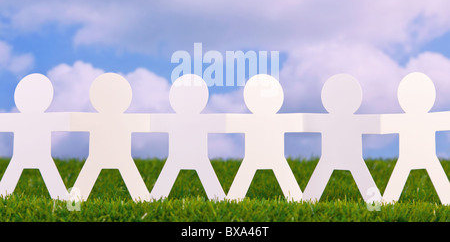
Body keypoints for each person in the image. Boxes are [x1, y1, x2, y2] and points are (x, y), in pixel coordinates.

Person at [70, 73, 151, 202]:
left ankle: (74, 200)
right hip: (106, 156)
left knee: (83, 185)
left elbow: (73, 121)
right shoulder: (124, 119)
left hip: (113, 156)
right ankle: (74, 200)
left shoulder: (118, 119)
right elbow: (148, 123)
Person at [302, 74, 382, 203]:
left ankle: (375, 202)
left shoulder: (331, 119)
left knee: (362, 178)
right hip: (333, 157)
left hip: (344, 157)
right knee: (362, 178)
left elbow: (378, 123)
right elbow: (304, 121)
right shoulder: (331, 119)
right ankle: (375, 203)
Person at [226, 74, 303, 202]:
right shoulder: (275, 120)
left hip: (270, 157)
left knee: (239, 189)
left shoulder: (251, 120)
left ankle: (233, 198)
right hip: (260, 157)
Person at [149, 74, 226, 201]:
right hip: (182, 157)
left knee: (212, 186)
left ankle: (154, 198)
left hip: (192, 157)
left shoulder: (178, 119)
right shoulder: (196, 119)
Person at [381, 72, 450, 205]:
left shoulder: (427, 118)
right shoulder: (430, 118)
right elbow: (380, 124)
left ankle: (387, 202)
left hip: (423, 156)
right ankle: (386, 201)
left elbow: (381, 124)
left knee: (435, 174)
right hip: (412, 156)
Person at [0, 74, 70, 200]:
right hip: (26, 156)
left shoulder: (21, 119)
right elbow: (68, 121)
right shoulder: (39, 119)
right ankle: (62, 198)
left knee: (50, 177)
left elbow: (68, 121)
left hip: (36, 156)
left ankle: (63, 198)